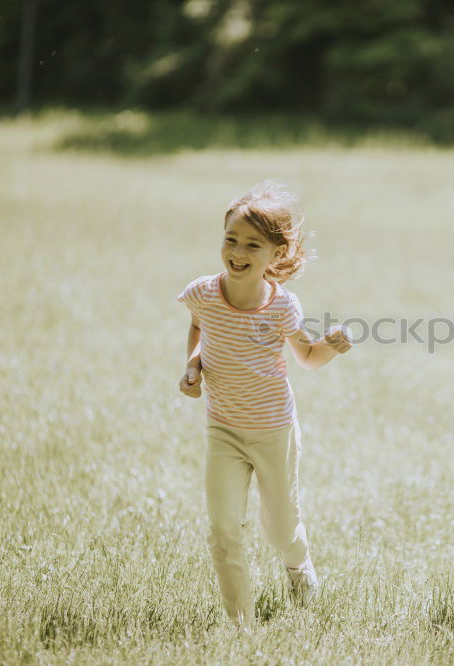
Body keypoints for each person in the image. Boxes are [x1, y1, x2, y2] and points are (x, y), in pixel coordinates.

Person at [177, 180, 351, 624]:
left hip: (274, 431)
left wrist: (332, 346)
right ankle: (241, 627)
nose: (237, 251)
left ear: (276, 254)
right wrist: (193, 366)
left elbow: (309, 359)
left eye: (252, 244)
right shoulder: (203, 292)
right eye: (231, 239)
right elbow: (200, 329)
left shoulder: (281, 308)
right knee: (223, 530)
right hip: (223, 429)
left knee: (279, 528)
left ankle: (299, 567)